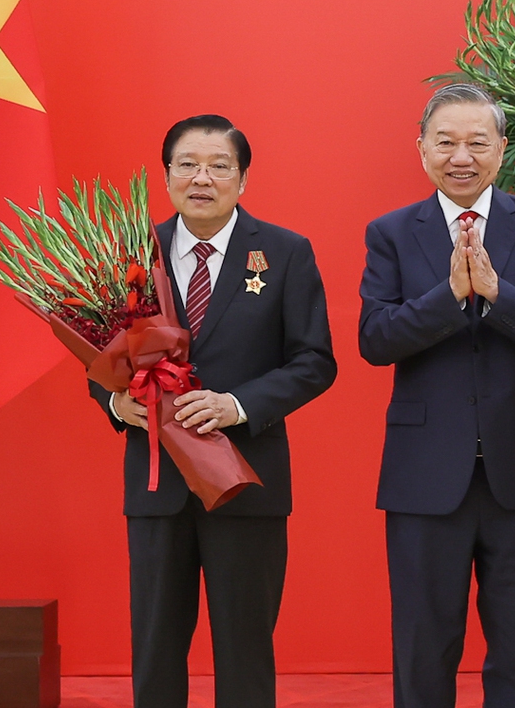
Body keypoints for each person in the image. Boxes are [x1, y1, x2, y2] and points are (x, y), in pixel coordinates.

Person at [89, 114, 337, 708]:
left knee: (245, 646)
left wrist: (237, 405)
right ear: (167, 173)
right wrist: (118, 403)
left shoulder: (283, 252)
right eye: (187, 165)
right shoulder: (129, 252)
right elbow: (98, 354)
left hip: (245, 481)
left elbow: (315, 361)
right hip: (157, 483)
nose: (202, 178)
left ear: (242, 179)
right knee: (154, 647)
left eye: (219, 166)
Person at [359, 82, 515, 708]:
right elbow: (374, 340)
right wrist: (449, 297)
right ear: (422, 150)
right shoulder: (393, 232)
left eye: (477, 142)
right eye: (446, 142)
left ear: (502, 150)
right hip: (425, 472)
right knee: (424, 645)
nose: (462, 156)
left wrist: (501, 295)